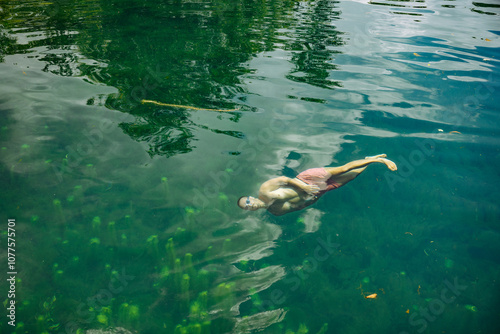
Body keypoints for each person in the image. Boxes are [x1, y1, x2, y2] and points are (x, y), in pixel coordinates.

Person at [237, 154, 397, 216]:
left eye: (248, 201)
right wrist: (313, 200)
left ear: (251, 197)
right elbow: (296, 207)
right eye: (247, 207)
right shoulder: (275, 211)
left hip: (307, 180)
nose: (250, 205)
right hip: (316, 192)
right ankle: (369, 159)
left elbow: (285, 179)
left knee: (344, 168)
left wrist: (304, 187)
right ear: (249, 210)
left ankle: (380, 160)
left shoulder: (265, 190)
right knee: (352, 176)